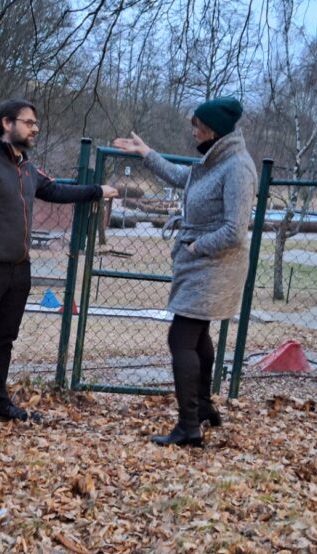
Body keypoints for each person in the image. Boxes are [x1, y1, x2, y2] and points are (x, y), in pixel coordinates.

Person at [0, 99, 118, 431]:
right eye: (29, 123)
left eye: (36, 124)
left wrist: (96, 191)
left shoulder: (26, 166)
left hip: (19, 270)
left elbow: (55, 191)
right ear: (7, 123)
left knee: (3, 340)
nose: (35, 129)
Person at [112, 96, 255, 447]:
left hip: (214, 265)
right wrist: (146, 153)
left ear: (213, 130)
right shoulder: (215, 161)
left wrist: (195, 246)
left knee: (180, 339)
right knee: (197, 337)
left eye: (197, 126)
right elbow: (181, 177)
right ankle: (203, 408)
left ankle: (189, 426)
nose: (193, 132)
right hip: (202, 265)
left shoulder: (237, 167)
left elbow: (235, 230)